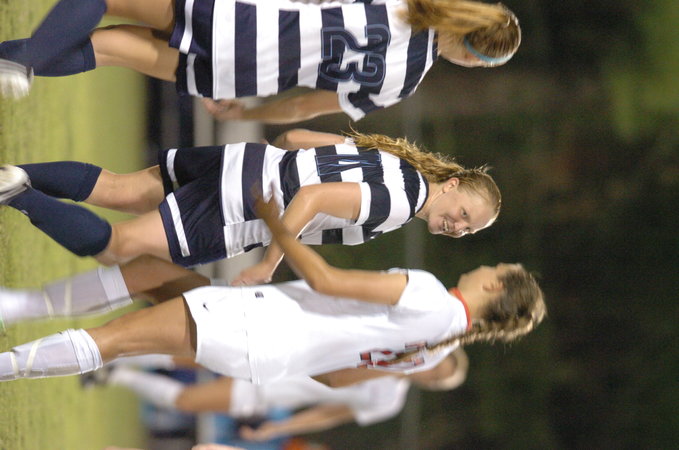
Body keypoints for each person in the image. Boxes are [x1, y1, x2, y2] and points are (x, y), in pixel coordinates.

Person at [0, 194, 545, 386]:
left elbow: (326, 280)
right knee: (152, 272)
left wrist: (276, 224)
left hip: (258, 326)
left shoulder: (431, 296)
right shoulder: (438, 351)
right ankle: (17, 306)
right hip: (266, 355)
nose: (483, 263)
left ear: (495, 284)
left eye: (493, 266)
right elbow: (333, 377)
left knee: (114, 340)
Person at [0, 128, 501, 285]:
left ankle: (12, 175)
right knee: (118, 246)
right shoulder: (400, 202)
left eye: (469, 230)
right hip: (243, 207)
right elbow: (313, 197)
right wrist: (268, 264)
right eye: (464, 214)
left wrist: (268, 160)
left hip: (249, 161)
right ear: (452, 185)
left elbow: (296, 138)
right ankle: (18, 192)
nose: (459, 227)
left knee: (118, 189)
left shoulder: (396, 162)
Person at [0, 0, 521, 123]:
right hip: (246, 73)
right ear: (474, 60)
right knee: (109, 47)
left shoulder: (406, 4)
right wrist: (246, 112)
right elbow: (301, 109)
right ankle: (16, 65)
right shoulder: (402, 85)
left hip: (248, 21)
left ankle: (22, 65)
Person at [88, 347, 468, 441]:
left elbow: (328, 415)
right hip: (274, 356)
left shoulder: (389, 402)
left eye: (438, 379)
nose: (431, 374)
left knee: (185, 402)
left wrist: (276, 429)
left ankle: (116, 376)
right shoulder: (390, 348)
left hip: (268, 391)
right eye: (437, 366)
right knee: (192, 355)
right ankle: (110, 354)